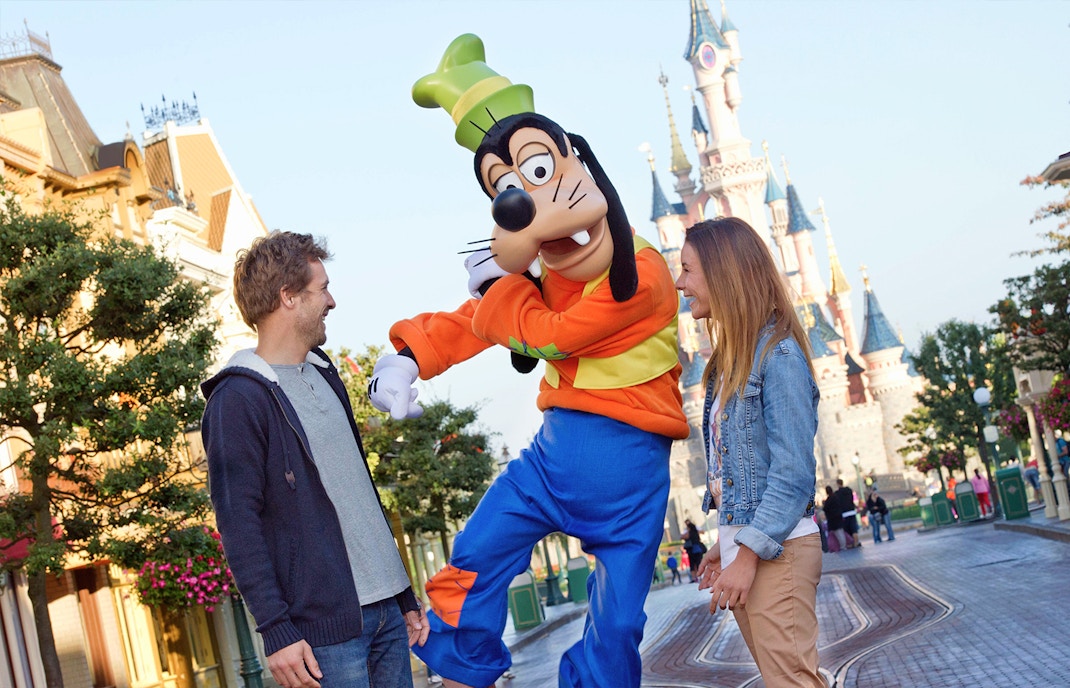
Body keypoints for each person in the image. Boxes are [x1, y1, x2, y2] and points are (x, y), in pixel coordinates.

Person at [201, 231, 428, 688]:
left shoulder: (325, 373)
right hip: (323, 636)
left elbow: (358, 492)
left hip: (386, 611)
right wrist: (275, 631)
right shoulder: (238, 398)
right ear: (288, 298)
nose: (332, 301)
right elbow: (238, 523)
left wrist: (402, 594)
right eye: (321, 288)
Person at [677, 217, 824, 688]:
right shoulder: (727, 363)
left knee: (793, 683)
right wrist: (728, 540)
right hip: (753, 549)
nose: (679, 283)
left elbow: (792, 474)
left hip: (776, 553)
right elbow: (743, 471)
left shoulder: (777, 357)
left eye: (687, 270)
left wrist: (746, 554)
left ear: (723, 273)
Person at [835, 479, 861, 548]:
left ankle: (850, 543)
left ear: (837, 484)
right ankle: (856, 542)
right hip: (852, 511)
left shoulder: (837, 493)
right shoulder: (849, 490)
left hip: (844, 513)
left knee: (847, 529)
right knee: (854, 529)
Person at [823, 485, 845, 552]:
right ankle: (843, 545)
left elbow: (826, 509)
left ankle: (842, 546)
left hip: (833, 519)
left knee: (838, 533)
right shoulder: (836, 497)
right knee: (841, 532)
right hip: (839, 517)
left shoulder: (829, 500)